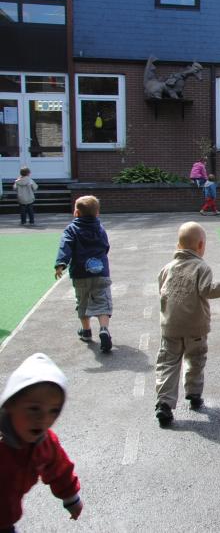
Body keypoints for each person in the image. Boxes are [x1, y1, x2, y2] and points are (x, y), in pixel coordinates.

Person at [155, 222, 220, 426]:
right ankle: (194, 394)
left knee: (168, 363)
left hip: (170, 326)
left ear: (178, 245)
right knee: (195, 359)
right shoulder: (201, 267)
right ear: (201, 245)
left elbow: (161, 290)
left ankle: (164, 403)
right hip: (195, 326)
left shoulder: (166, 269)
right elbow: (208, 290)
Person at [1, 353, 83, 530]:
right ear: (9, 405)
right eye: (33, 408)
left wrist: (70, 497)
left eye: (54, 410)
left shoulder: (44, 443)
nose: (43, 418)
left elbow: (59, 468)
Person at [54, 195, 113, 353]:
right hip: (100, 271)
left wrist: (61, 264)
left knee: (82, 301)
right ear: (97, 213)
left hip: (80, 273)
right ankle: (104, 328)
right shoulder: (100, 228)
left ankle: (86, 330)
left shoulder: (71, 229)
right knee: (103, 300)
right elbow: (106, 246)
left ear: (76, 213)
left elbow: (65, 246)